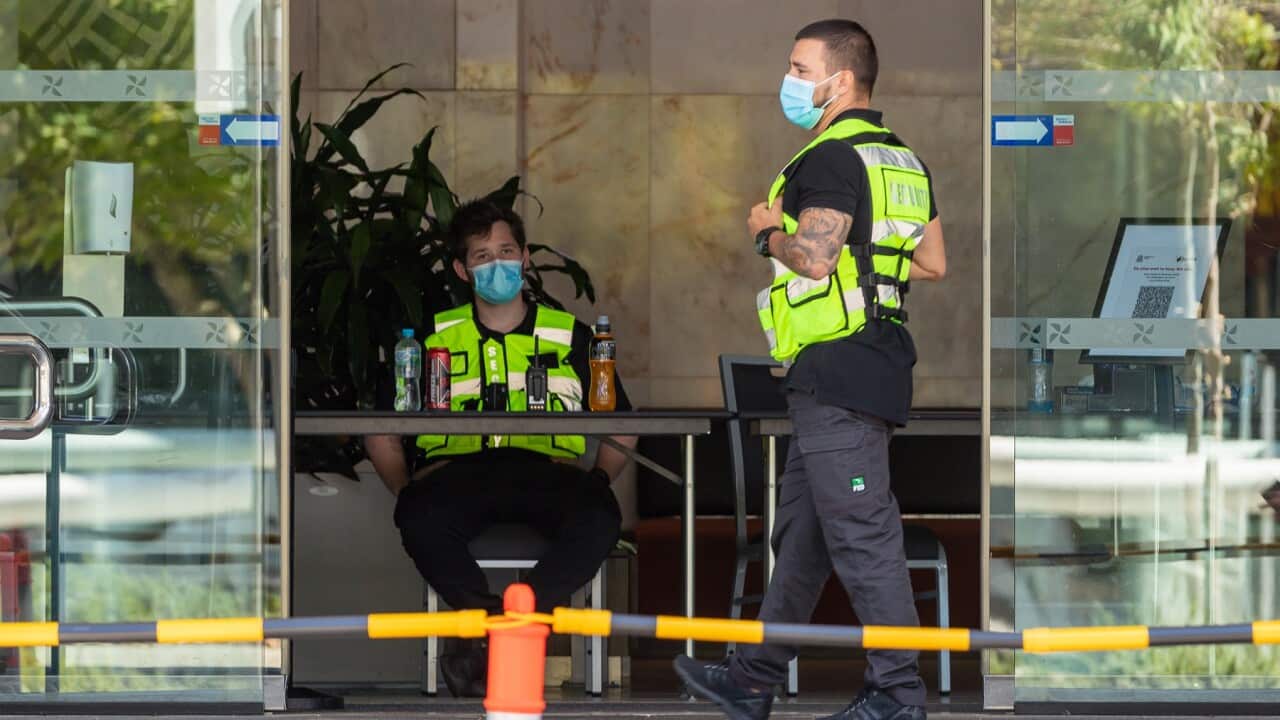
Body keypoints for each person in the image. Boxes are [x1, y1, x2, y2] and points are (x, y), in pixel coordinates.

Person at [673, 19, 947, 720]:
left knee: (862, 533)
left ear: (842, 79)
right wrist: (867, 261)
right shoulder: (903, 161)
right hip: (868, 366)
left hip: (839, 368)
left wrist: (768, 228)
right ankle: (752, 678)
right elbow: (933, 261)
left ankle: (897, 694)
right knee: (804, 536)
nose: (790, 80)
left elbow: (816, 258)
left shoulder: (829, 156)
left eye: (800, 67)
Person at [365, 198, 636, 698]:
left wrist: (597, 480)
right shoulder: (430, 339)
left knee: (599, 517)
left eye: (507, 251)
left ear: (526, 257)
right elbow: (381, 428)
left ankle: (509, 618)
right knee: (418, 516)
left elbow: (622, 421)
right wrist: (406, 487)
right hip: (457, 474)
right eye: (483, 256)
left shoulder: (571, 337)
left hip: (546, 473)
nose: (498, 264)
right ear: (462, 270)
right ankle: (493, 623)